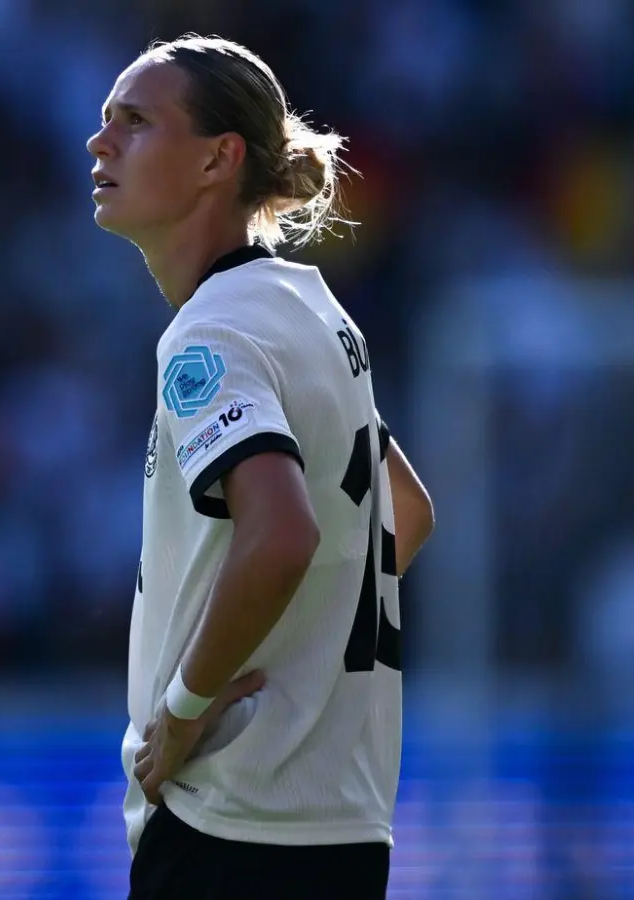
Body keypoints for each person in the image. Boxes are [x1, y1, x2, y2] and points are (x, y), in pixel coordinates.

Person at [85, 35, 436, 899]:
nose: (101, 143)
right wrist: (301, 649)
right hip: (342, 821)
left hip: (230, 824)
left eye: (135, 121)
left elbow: (281, 535)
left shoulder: (213, 331)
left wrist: (182, 712)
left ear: (218, 158)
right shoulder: (313, 308)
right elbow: (408, 509)